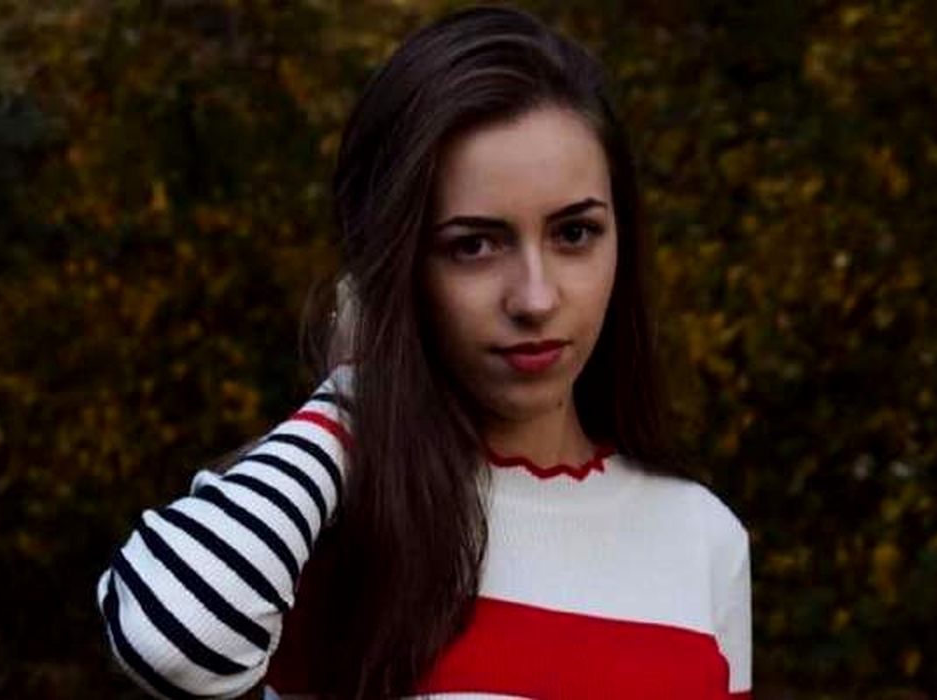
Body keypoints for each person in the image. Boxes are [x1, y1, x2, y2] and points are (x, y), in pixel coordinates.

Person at [96, 5, 752, 699]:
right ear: (396, 263)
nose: (535, 298)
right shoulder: (316, 516)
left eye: (574, 234)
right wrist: (357, 391)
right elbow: (169, 641)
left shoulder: (702, 536)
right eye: (474, 245)